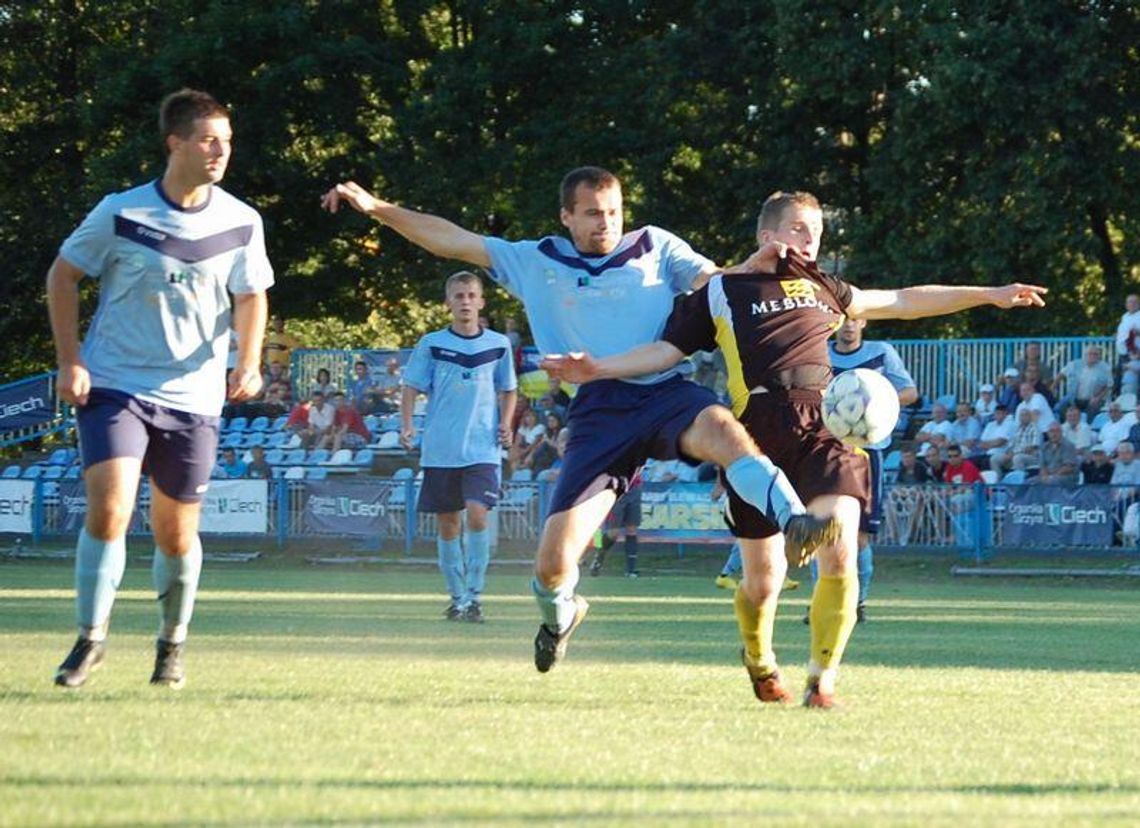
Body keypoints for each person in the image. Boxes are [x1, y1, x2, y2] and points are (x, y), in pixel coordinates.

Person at [323, 168, 841, 675]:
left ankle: (796, 520)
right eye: (593, 213)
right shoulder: (534, 260)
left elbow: (720, 284)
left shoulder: (656, 246)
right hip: (597, 413)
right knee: (552, 567)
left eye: (613, 212)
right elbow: (451, 240)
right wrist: (376, 209)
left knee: (727, 432)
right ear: (566, 215)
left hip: (664, 391)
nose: (606, 223)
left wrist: (754, 264)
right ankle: (561, 615)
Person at [543, 189, 1045, 707]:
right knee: (763, 583)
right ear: (769, 236)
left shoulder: (822, 285)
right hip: (757, 434)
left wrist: (990, 293)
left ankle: (821, 681)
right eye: (801, 229)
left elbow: (902, 299)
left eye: (819, 232)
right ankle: (759, 660)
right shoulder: (722, 290)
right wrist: (598, 368)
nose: (812, 240)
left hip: (827, 427)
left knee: (840, 549)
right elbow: (666, 351)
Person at [45, 89, 273, 688]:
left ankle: (171, 645)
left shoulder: (241, 220)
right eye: (208, 139)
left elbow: (251, 294)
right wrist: (71, 361)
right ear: (175, 143)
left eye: (226, 140)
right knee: (111, 509)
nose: (221, 150)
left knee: (177, 533)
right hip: (116, 384)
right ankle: (90, 639)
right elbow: (63, 276)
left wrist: (248, 362)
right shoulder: (121, 211)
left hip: (195, 397)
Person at [400, 271, 517, 623]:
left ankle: (476, 595)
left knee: (478, 513)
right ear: (448, 303)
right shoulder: (432, 343)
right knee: (449, 524)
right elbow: (410, 387)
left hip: (483, 449)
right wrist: (406, 426)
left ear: (481, 302)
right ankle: (457, 598)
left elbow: (509, 388)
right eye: (459, 296)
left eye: (471, 295)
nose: (465, 301)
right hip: (441, 448)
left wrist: (506, 424)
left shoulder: (498, 344)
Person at [807, 316, 917, 624]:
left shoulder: (882, 352)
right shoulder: (820, 352)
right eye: (843, 320)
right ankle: (820, 601)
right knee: (822, 528)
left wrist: (873, 401)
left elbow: (910, 392)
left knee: (860, 535)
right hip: (828, 450)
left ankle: (858, 602)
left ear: (864, 322)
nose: (849, 326)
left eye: (855, 319)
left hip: (869, 452)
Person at [587, 478, 642, 578]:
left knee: (632, 529)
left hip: (634, 487)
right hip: (616, 489)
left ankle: (631, 570)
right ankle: (598, 557)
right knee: (613, 533)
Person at [1054, 345, 1112, 416]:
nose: (1093, 356)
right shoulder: (1075, 364)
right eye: (1090, 353)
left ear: (1099, 356)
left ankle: (1089, 426)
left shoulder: (1105, 368)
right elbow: (1061, 374)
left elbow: (1109, 385)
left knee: (1091, 412)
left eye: (1095, 354)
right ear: (1085, 355)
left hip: (1094, 399)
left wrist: (1098, 398)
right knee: (1058, 408)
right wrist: (1054, 387)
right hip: (1073, 397)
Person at [971, 403, 1017, 470]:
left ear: (1005, 414)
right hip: (986, 453)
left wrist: (988, 444)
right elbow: (981, 443)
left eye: (1000, 413)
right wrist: (993, 443)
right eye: (996, 413)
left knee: (985, 462)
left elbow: (1000, 442)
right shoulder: (990, 424)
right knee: (970, 461)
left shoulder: (1010, 424)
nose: (997, 416)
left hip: (1000, 453)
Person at [1115, 294, 1140, 395]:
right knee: (1120, 381)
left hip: (1135, 355)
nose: (1132, 304)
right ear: (1126, 304)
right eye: (1130, 302)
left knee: (1131, 382)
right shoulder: (1125, 316)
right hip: (1123, 354)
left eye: (1135, 302)